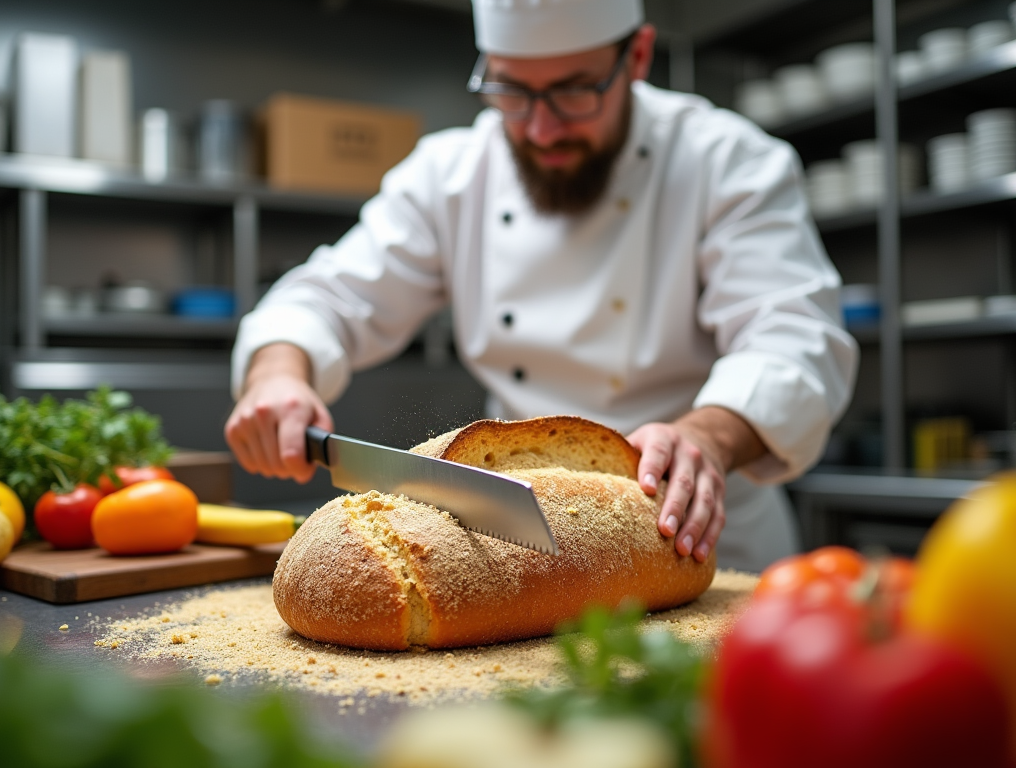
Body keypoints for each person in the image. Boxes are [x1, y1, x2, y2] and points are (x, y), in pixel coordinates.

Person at [225, 0, 858, 572]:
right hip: (520, 544)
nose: (540, 128)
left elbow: (792, 337)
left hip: (701, 540)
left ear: (636, 56)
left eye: (575, 91)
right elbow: (329, 296)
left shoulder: (725, 160)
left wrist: (708, 438)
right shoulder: (451, 174)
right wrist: (278, 373)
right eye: (511, 91)